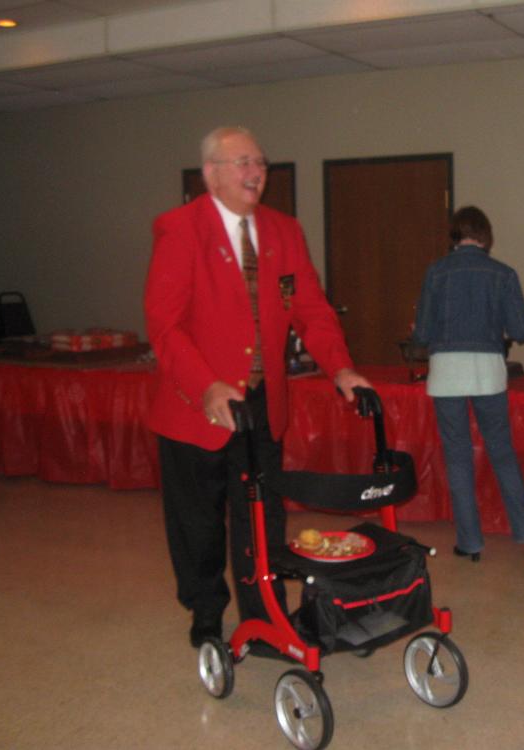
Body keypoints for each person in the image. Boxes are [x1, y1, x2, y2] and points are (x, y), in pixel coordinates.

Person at [144, 126, 370, 648]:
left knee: (261, 521)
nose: (256, 173)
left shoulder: (284, 231)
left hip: (261, 405)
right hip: (194, 407)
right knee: (197, 526)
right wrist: (207, 387)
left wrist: (341, 368)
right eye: (242, 162)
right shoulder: (179, 229)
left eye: (261, 163)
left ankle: (265, 614)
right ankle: (205, 612)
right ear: (211, 174)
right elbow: (165, 324)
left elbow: (310, 308)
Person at [412, 206, 524, 561]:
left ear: (454, 235)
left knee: (457, 457)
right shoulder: (503, 273)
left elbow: (423, 333)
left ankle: (469, 543)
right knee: (502, 451)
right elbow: (519, 331)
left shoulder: (435, 272)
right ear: (485, 236)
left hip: (445, 373)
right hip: (488, 370)